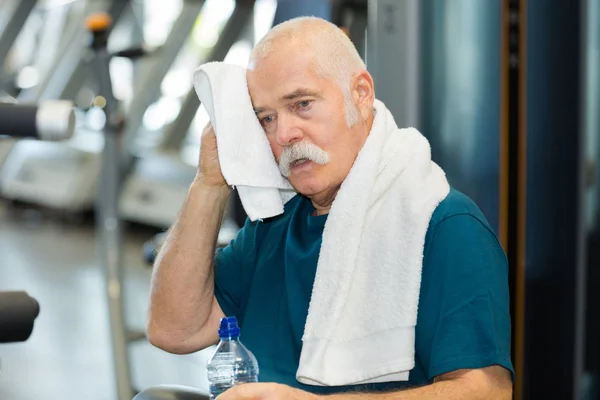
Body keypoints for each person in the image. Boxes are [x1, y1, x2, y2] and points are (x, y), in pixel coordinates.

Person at [147, 17, 514, 399]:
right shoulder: (271, 227)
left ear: (361, 93)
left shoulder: (444, 224)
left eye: (301, 104)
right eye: (267, 118)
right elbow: (174, 329)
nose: (284, 134)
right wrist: (208, 182)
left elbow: (486, 392)